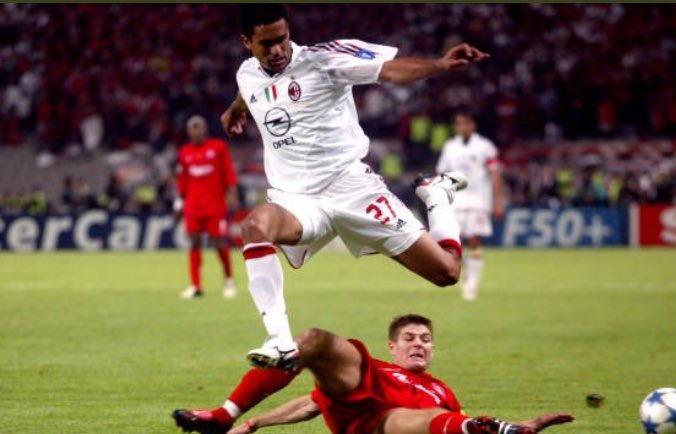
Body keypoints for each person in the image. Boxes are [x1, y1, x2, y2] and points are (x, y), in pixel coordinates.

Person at [219, 4, 490, 370]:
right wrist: (236, 109)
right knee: (254, 226)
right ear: (246, 42)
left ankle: (437, 197)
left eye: (282, 39)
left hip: (352, 189)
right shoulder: (247, 73)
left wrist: (440, 64)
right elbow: (252, 89)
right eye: (266, 44)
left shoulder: (324, 60)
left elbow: (389, 71)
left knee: (446, 273)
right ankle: (279, 340)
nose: (278, 49)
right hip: (296, 200)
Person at [173, 314, 574, 434]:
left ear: (433, 349)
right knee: (312, 340)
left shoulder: (441, 390)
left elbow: (447, 419)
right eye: (409, 339)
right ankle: (223, 414)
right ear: (393, 347)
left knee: (434, 419)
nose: (418, 344)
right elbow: (310, 404)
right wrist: (254, 422)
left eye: (426, 340)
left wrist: (525, 425)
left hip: (383, 424)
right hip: (355, 395)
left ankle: (491, 429)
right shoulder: (377, 366)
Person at [435, 112, 505, 301]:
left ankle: (472, 283)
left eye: (466, 123)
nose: (463, 127)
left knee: (474, 240)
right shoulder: (450, 146)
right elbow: (441, 174)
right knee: (457, 243)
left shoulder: (485, 146)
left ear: (473, 125)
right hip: (456, 201)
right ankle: (466, 276)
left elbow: (495, 174)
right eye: (459, 124)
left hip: (478, 201)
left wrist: (498, 201)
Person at [174, 115, 239, 299]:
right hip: (193, 207)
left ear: (205, 129)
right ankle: (196, 285)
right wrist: (179, 203)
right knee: (194, 242)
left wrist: (232, 193)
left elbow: (228, 172)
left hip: (215, 206)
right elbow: (182, 181)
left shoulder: (218, 148)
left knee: (219, 242)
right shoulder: (184, 152)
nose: (196, 131)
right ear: (188, 131)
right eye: (193, 128)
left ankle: (229, 280)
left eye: (199, 127)